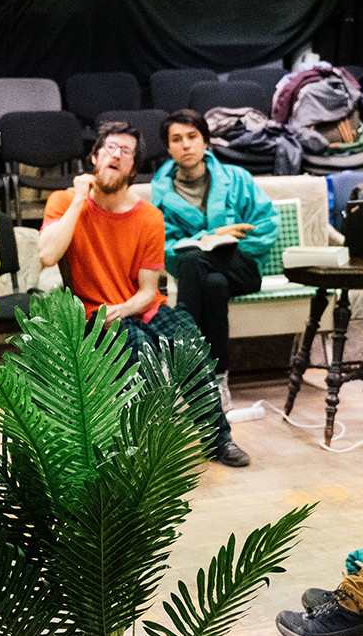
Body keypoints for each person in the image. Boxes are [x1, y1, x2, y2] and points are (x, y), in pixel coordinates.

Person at [38, 120, 250, 468]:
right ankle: (136, 447)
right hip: (93, 313)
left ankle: (218, 438)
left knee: (187, 338)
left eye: (126, 152)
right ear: (94, 157)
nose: (116, 155)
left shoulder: (149, 217)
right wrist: (78, 199)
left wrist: (123, 308)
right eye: (109, 148)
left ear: (134, 168)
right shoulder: (64, 202)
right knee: (134, 345)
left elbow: (148, 291)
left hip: (137, 306)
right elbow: (48, 254)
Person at [150, 108, 279, 382]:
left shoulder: (237, 178)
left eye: (192, 136)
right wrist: (209, 237)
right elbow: (165, 247)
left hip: (243, 268)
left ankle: (178, 357)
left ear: (205, 141)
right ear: (168, 149)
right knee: (214, 284)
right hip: (199, 276)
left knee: (193, 259)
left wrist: (226, 246)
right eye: (176, 139)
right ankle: (218, 379)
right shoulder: (161, 195)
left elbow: (266, 225)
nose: (186, 145)